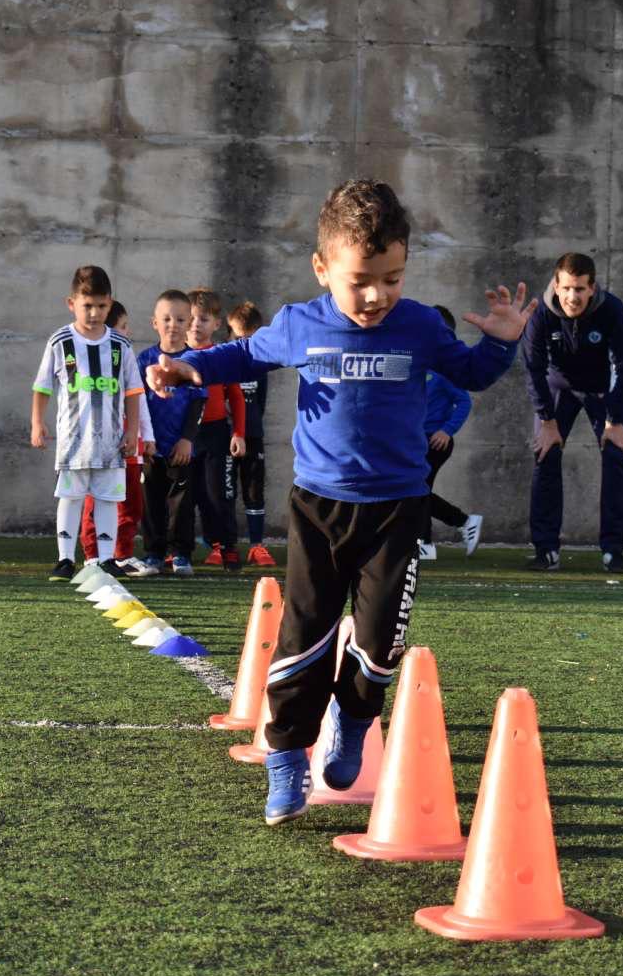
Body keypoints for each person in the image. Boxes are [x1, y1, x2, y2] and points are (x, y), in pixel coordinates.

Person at [147, 178, 535, 825]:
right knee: (306, 633)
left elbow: (470, 372)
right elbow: (246, 352)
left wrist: (500, 342)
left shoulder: (416, 327)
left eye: (393, 276)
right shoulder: (302, 325)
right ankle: (287, 758)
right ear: (323, 269)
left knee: (382, 641)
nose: (378, 294)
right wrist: (193, 367)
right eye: (362, 280)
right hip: (318, 508)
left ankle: (354, 722)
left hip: (397, 509)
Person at [522, 251, 623, 573]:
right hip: (558, 388)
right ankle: (547, 550)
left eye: (580, 289)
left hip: (602, 389)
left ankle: (613, 551)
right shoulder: (541, 313)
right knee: (546, 454)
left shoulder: (611, 309)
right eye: (567, 288)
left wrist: (614, 419)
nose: (573, 297)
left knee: (616, 455)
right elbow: (533, 369)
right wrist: (547, 420)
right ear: (556, 287)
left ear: (592, 288)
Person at [30, 265, 143, 581]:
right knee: (71, 496)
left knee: (108, 498)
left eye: (102, 306)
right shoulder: (61, 341)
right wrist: (37, 423)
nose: (95, 313)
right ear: (72, 304)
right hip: (73, 438)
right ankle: (65, 559)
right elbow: (42, 387)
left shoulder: (120, 346)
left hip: (111, 439)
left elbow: (133, 391)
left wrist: (132, 430)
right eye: (87, 306)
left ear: (110, 303)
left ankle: (105, 560)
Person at [78, 300, 157, 574]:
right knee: (96, 500)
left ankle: (121, 554)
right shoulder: (88, 361)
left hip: (129, 446)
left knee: (131, 504)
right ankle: (92, 555)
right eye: (123, 326)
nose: (128, 331)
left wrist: (146, 436)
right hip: (98, 447)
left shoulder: (126, 358)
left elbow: (140, 401)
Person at [136, 289, 204, 576]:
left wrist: (187, 439)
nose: (173, 325)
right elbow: (136, 401)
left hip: (180, 446)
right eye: (166, 319)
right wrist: (144, 438)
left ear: (189, 323)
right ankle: (153, 552)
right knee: (151, 501)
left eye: (180, 319)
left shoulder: (194, 362)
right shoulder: (144, 359)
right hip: (152, 445)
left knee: (182, 503)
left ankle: (181, 554)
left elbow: (198, 403)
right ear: (155, 323)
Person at [185, 288, 246, 573]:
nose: (197, 324)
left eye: (204, 319)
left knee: (217, 492)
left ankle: (225, 546)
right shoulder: (175, 356)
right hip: (183, 435)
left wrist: (239, 433)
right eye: (192, 318)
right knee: (182, 494)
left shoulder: (221, 356)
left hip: (216, 433)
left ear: (217, 324)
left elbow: (235, 396)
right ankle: (178, 549)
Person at [418, 305, 484, 561]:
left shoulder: (445, 368)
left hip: (435, 441)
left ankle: (427, 542)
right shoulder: (418, 363)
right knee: (416, 492)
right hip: (415, 440)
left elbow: (464, 402)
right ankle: (463, 522)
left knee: (418, 492)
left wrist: (446, 431)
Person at [227, 301, 277, 567]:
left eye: (251, 338)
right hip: (225, 436)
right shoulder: (224, 362)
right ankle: (224, 544)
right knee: (225, 490)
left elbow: (260, 402)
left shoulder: (260, 365)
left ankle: (256, 544)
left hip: (253, 435)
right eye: (239, 338)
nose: (245, 344)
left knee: (254, 488)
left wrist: (250, 428)